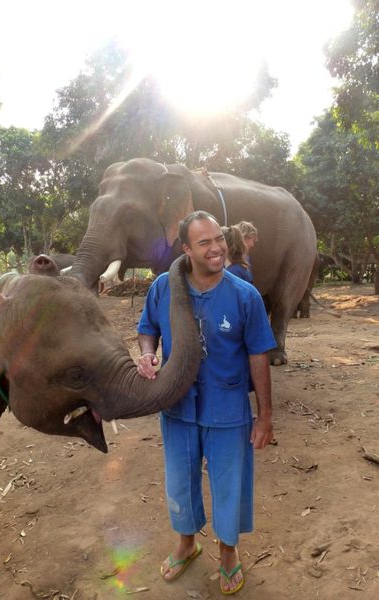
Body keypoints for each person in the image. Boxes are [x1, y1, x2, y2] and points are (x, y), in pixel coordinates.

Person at [137, 211, 275, 595]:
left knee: (230, 484)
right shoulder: (164, 287)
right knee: (179, 480)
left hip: (227, 407)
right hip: (177, 406)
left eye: (218, 239)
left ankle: (228, 551)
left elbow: (259, 356)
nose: (216, 248)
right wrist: (147, 354)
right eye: (204, 242)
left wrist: (264, 416)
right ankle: (187, 544)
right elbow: (147, 329)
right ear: (186, 249)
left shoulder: (244, 295)